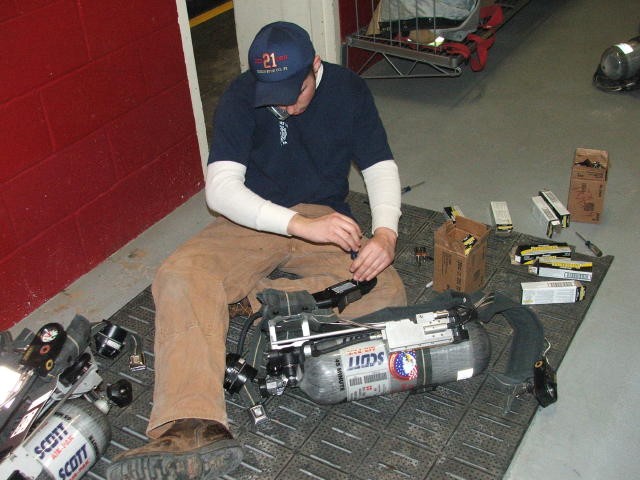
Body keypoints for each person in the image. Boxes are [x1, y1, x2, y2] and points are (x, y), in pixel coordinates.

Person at [107, 21, 407, 480]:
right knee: (179, 274)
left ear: (315, 66)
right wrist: (296, 224)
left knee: (385, 290)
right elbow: (221, 191)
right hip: (258, 216)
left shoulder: (348, 90)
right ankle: (192, 425)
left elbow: (378, 164)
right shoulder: (241, 93)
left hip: (325, 219)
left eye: (294, 91)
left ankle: (262, 301)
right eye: (274, 93)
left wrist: (385, 234)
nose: (284, 103)